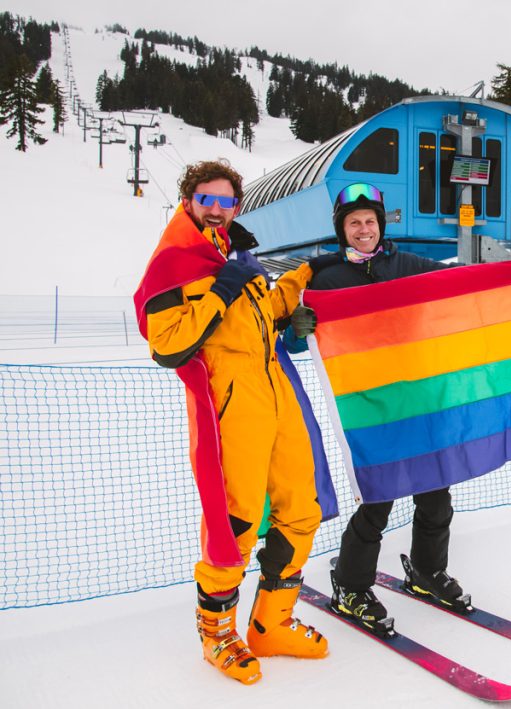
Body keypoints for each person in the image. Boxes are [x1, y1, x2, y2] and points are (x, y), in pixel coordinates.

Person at [136, 160, 331, 685]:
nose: (218, 209)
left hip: (275, 392)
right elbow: (168, 344)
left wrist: (303, 282)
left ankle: (272, 623)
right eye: (208, 199)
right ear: (189, 200)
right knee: (236, 522)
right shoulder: (176, 262)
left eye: (227, 201)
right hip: (230, 403)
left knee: (301, 509)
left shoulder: (237, 254)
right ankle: (218, 633)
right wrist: (221, 289)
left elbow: (264, 315)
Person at [291, 182, 467, 636]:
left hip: (421, 397)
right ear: (342, 230)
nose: (364, 229)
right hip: (369, 406)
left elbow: (460, 283)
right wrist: (296, 327)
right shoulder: (325, 277)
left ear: (381, 225)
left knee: (436, 492)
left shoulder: (406, 264)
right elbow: (291, 341)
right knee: (378, 498)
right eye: (354, 223)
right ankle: (351, 585)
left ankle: (427, 571)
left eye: (370, 221)